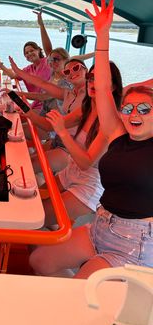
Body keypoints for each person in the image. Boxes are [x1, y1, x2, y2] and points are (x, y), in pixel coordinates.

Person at [29, 0, 153, 279]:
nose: (135, 113)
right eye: (129, 107)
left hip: (134, 242)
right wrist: (103, 35)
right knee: (41, 261)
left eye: (145, 109)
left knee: (81, 291)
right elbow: (103, 87)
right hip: (100, 224)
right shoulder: (118, 133)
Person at [38, 62, 122, 227]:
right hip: (71, 171)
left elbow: (86, 163)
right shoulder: (87, 109)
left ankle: (60, 238)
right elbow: (51, 125)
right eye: (91, 78)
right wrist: (24, 109)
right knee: (35, 198)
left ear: (112, 87)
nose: (93, 82)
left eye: (101, 79)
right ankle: (59, 230)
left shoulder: (111, 121)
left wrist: (61, 132)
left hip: (89, 184)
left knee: (37, 217)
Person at [10, 56, 88, 173]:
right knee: (26, 160)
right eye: (67, 71)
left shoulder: (90, 99)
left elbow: (48, 126)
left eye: (76, 68)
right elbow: (42, 83)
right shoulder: (68, 93)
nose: (72, 72)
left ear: (86, 70)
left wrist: (26, 109)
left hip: (71, 148)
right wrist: (18, 71)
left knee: (28, 165)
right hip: (58, 139)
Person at [0, 10, 52, 112]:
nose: (29, 54)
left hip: (48, 105)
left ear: (39, 50)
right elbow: (14, 76)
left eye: (32, 50)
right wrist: (0, 65)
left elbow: (49, 50)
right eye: (26, 53)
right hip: (35, 104)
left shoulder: (47, 62)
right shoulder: (29, 69)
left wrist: (41, 25)